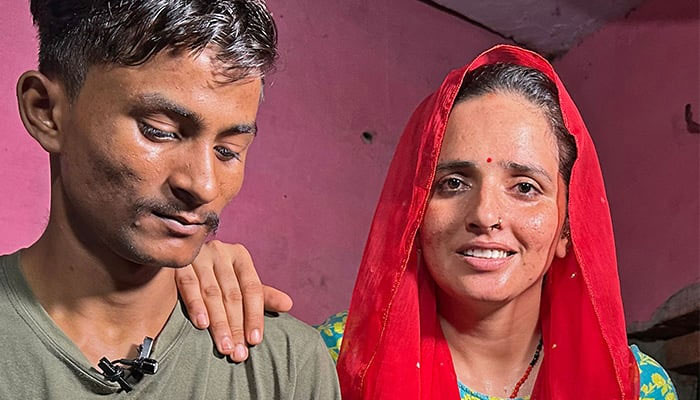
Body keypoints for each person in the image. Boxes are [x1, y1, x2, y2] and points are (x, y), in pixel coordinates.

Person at [191, 45, 677, 399]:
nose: (486, 215)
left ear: (568, 229)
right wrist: (177, 273)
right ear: (413, 213)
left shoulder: (636, 386)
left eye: (525, 187)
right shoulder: (336, 358)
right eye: (452, 183)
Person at [0, 0, 339, 398]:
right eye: (159, 131)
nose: (204, 185)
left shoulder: (287, 364)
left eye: (228, 150)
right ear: (46, 111)